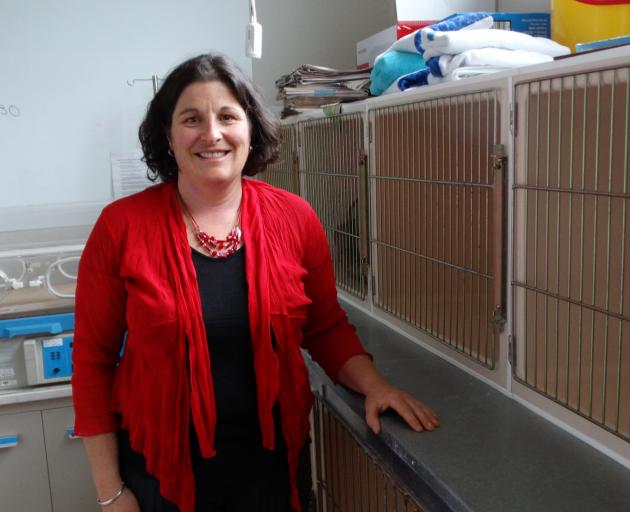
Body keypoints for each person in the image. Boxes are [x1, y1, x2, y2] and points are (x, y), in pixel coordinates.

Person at [72, 53, 439, 512]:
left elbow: (324, 328)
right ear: (167, 136)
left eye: (228, 116)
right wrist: (110, 493)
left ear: (250, 131)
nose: (212, 134)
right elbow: (92, 363)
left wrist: (376, 385)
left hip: (271, 470)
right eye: (192, 119)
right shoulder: (120, 227)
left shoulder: (295, 217)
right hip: (159, 472)